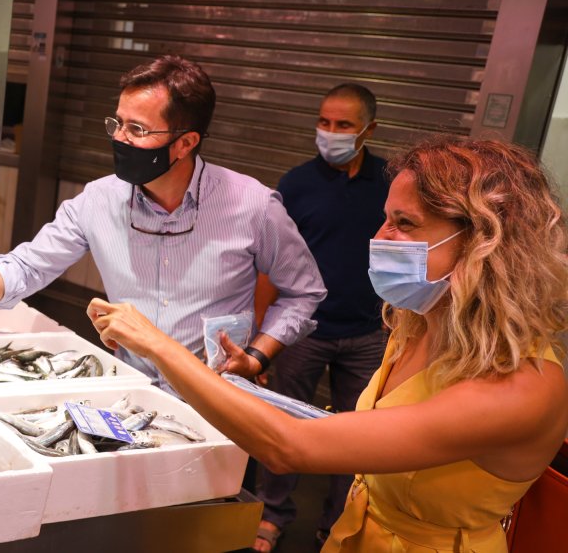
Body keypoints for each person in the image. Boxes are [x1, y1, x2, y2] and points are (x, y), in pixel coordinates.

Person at [89, 135, 568, 553]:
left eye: (405, 223)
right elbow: (354, 430)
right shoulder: (422, 326)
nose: (380, 237)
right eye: (386, 218)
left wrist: (158, 344)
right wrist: (246, 385)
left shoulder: (523, 386)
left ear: (486, 242)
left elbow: (290, 447)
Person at [0, 54, 326, 383]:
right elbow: (29, 264)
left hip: (216, 389)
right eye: (118, 123)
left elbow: (303, 290)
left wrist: (258, 355)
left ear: (186, 143)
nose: (120, 138)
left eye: (137, 129)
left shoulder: (252, 205)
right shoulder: (98, 200)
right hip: (130, 381)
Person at [254, 84, 391, 552]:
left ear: (369, 129)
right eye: (324, 122)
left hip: (369, 333)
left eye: (344, 125)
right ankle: (270, 516)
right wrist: (260, 338)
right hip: (302, 332)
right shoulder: (295, 185)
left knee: (358, 439)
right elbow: (269, 267)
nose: (329, 133)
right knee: (281, 428)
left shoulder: (391, 184)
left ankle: (337, 524)